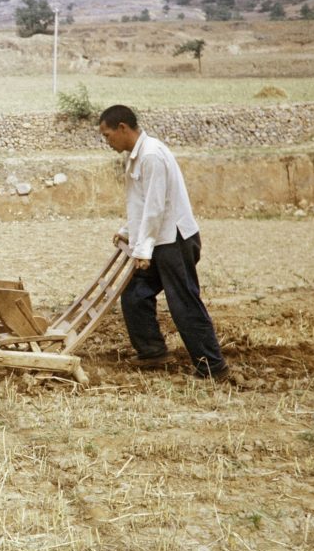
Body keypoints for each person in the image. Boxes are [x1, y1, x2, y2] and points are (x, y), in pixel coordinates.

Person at [98, 105, 230, 381]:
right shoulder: (137, 157)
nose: (107, 141)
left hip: (175, 240)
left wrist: (142, 249)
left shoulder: (152, 156)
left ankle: (212, 367)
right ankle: (153, 352)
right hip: (159, 238)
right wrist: (128, 232)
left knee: (183, 302)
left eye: (108, 135)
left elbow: (156, 207)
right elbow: (142, 204)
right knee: (135, 294)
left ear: (123, 128)